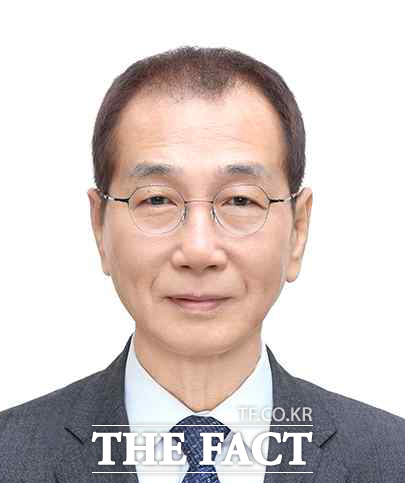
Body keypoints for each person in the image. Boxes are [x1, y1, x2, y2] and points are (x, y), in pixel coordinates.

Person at [0, 46, 404, 483]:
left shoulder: (392, 459)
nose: (198, 250)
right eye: (157, 199)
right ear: (99, 226)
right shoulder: (11, 455)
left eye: (240, 200)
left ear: (298, 229)